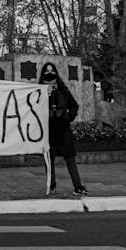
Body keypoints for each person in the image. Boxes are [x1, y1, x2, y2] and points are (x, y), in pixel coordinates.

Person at [39, 62, 87, 196]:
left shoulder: (63, 90)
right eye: (47, 71)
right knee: (49, 160)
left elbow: (74, 106)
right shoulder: (39, 91)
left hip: (63, 130)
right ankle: (51, 184)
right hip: (48, 131)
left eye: (52, 70)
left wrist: (68, 117)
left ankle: (78, 186)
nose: (50, 73)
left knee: (70, 159)